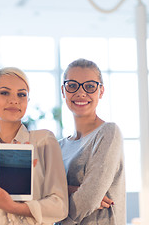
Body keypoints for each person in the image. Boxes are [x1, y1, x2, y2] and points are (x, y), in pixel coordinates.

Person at [0, 67, 68, 225]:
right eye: (4, 92)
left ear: (27, 100)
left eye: (21, 94)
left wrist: (13, 207)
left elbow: (60, 206)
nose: (14, 100)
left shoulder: (44, 142)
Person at [58, 58, 126, 224]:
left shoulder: (108, 132)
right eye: (72, 85)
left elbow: (88, 199)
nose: (81, 93)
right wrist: (71, 190)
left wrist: (53, 208)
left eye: (89, 86)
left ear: (101, 91)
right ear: (63, 91)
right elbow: (42, 193)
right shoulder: (59, 146)